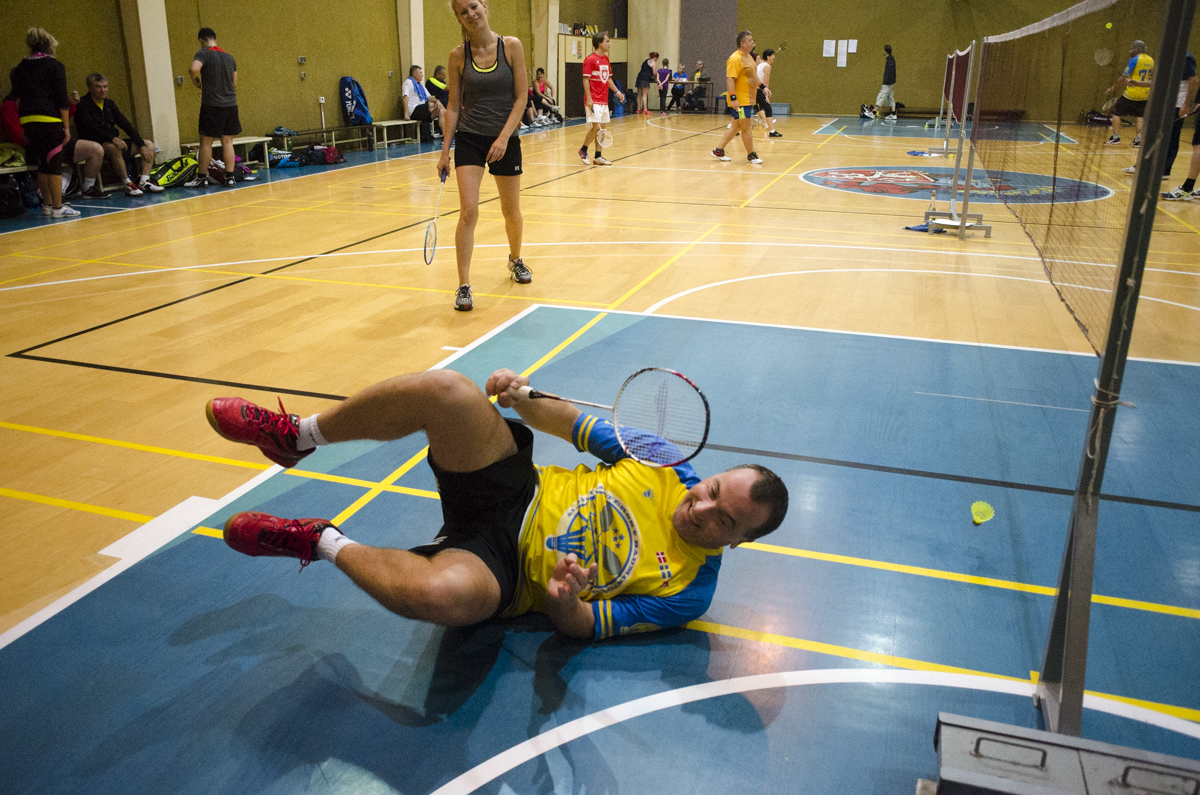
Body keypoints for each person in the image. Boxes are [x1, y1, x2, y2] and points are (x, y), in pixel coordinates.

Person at [205, 367, 789, 639]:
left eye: (724, 520)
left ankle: (317, 539)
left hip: (504, 571)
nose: (702, 508)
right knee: (448, 391)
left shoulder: (689, 592)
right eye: (713, 491)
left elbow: (584, 625)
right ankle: (296, 436)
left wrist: (566, 599)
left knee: (441, 597)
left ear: (739, 542)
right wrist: (522, 396)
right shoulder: (663, 461)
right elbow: (565, 421)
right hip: (515, 486)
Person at [436, 0, 532, 312]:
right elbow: (453, 105)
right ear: (458, 18)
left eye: (473, 6)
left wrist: (504, 138)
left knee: (510, 211)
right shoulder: (457, 56)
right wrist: (444, 152)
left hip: (505, 138)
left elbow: (521, 97)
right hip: (470, 138)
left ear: (485, 6)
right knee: (468, 212)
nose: (470, 14)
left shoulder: (511, 47)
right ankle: (463, 285)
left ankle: (515, 259)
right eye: (463, 12)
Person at [9, 28, 78, 218]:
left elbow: (18, 99)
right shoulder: (55, 66)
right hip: (49, 119)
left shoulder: (21, 67)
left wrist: (23, 124)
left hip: (28, 119)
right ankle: (58, 207)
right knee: (54, 163)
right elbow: (61, 99)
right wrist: (66, 127)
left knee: (42, 162)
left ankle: (47, 205)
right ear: (49, 46)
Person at [73, 73, 162, 196]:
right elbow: (90, 128)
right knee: (114, 147)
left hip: (114, 141)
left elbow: (125, 124)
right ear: (89, 87)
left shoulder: (109, 104)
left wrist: (141, 144)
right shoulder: (82, 104)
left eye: (105, 87)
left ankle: (144, 181)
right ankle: (128, 184)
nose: (103, 90)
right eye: (98, 87)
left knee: (148, 145)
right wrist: (112, 138)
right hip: (96, 144)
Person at [185, 27, 239, 188]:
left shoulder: (203, 53)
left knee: (206, 142)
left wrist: (195, 81)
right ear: (215, 38)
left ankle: (202, 178)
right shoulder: (229, 57)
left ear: (201, 40)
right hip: (231, 104)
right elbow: (234, 83)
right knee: (227, 141)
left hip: (212, 105)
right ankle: (230, 177)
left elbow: (194, 69)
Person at [712, 31, 761, 165]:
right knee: (746, 126)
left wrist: (762, 87)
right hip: (740, 102)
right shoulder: (735, 59)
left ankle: (718, 150)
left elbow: (753, 76)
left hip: (748, 100)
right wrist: (733, 99)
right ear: (742, 43)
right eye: (750, 40)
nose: (753, 42)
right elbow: (730, 79)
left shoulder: (748, 57)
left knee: (736, 126)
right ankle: (751, 155)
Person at [579, 32, 625, 166]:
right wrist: (589, 98)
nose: (609, 44)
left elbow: (608, 79)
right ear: (600, 43)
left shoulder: (606, 59)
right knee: (597, 127)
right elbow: (585, 80)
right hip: (594, 100)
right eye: (607, 41)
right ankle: (583, 149)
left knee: (602, 128)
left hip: (603, 100)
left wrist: (617, 91)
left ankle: (598, 156)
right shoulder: (590, 60)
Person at [1161, 52, 1200, 200]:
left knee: (1197, 145)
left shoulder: (1185, 56)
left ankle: (1186, 187)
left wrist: (1187, 104)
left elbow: (1194, 79)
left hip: (1178, 103)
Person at [1106, 40, 1154, 147]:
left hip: (1131, 94)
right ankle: (1138, 140)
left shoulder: (1134, 60)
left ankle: (1115, 138)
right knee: (1140, 116)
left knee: (1115, 113)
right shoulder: (1151, 60)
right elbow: (1151, 77)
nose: (1130, 51)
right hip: (1145, 93)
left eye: (1131, 49)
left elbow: (1123, 77)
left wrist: (1113, 87)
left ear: (1136, 49)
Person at [403, 65, 446, 141]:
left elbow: (429, 97)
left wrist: (437, 101)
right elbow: (405, 98)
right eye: (420, 73)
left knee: (441, 111)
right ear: (414, 74)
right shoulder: (408, 82)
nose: (422, 75)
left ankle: (445, 137)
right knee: (434, 105)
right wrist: (406, 114)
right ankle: (448, 114)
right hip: (414, 110)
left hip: (423, 110)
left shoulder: (420, 85)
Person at [756, 49, 782, 138]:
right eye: (773, 55)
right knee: (768, 109)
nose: (774, 57)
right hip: (758, 90)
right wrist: (766, 95)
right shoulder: (767, 66)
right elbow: (765, 81)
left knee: (758, 108)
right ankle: (772, 131)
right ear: (768, 57)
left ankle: (735, 128)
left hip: (752, 90)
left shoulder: (760, 64)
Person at [875, 45, 897, 121]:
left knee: (881, 96)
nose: (882, 51)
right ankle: (893, 114)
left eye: (883, 50)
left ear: (885, 51)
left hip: (888, 83)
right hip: (890, 83)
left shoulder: (890, 60)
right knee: (890, 98)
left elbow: (890, 72)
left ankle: (873, 112)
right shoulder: (890, 59)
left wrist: (887, 81)